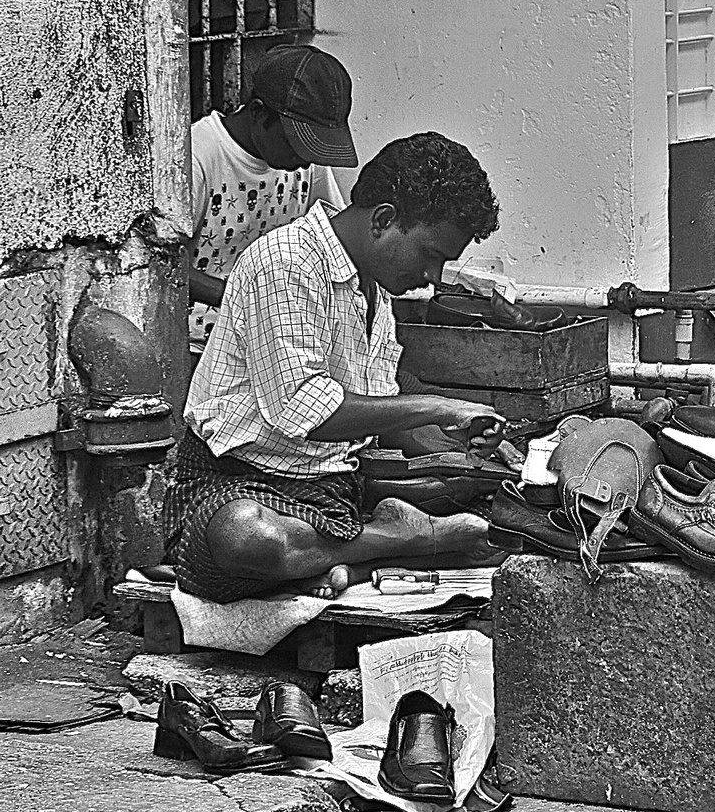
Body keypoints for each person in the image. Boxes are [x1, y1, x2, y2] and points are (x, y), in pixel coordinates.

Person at [166, 131, 508, 603]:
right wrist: (436, 407)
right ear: (384, 220)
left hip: (331, 491)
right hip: (237, 479)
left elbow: (378, 408)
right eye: (432, 256)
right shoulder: (285, 263)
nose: (432, 278)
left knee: (468, 490)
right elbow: (307, 412)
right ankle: (404, 540)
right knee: (245, 539)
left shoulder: (374, 288)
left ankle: (338, 555)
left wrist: (465, 447)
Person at [189, 44, 358, 358]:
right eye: (297, 143)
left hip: (278, 340)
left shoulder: (306, 162)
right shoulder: (200, 154)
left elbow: (337, 236)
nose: (306, 161)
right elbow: (168, 270)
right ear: (258, 113)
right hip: (202, 345)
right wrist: (247, 299)